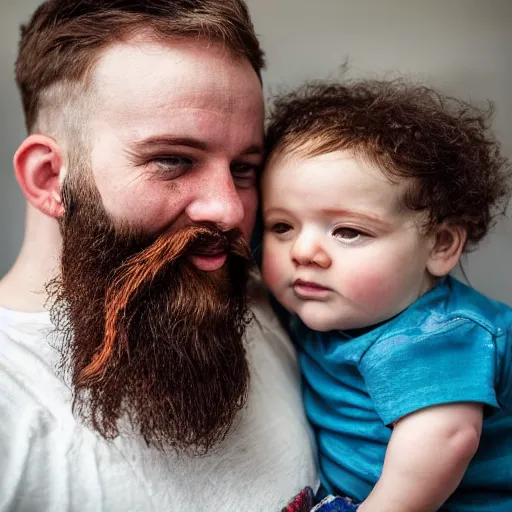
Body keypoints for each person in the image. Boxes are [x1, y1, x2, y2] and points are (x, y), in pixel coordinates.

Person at [0, 1, 318, 510]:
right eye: (172, 160)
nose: (229, 211)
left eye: (243, 168)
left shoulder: (274, 304)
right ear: (47, 178)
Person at [261, 79, 512, 512]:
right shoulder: (320, 302)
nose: (302, 252)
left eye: (348, 231)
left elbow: (446, 439)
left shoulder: (435, 338)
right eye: (282, 226)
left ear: (440, 246)